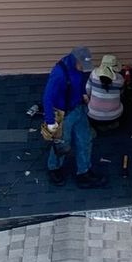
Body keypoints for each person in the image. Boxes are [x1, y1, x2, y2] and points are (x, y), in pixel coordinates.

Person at [40, 47, 104, 188]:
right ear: (76, 60)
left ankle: (84, 172)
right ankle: (54, 168)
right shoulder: (59, 74)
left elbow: (79, 82)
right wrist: (50, 121)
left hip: (78, 109)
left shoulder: (78, 69)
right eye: (82, 65)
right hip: (64, 115)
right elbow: (47, 98)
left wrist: (83, 94)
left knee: (85, 140)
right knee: (62, 143)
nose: (84, 69)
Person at [85, 54, 126, 128]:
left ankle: (99, 126)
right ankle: (111, 124)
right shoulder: (120, 79)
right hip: (114, 116)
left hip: (93, 116)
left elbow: (87, 89)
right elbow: (121, 94)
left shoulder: (93, 74)